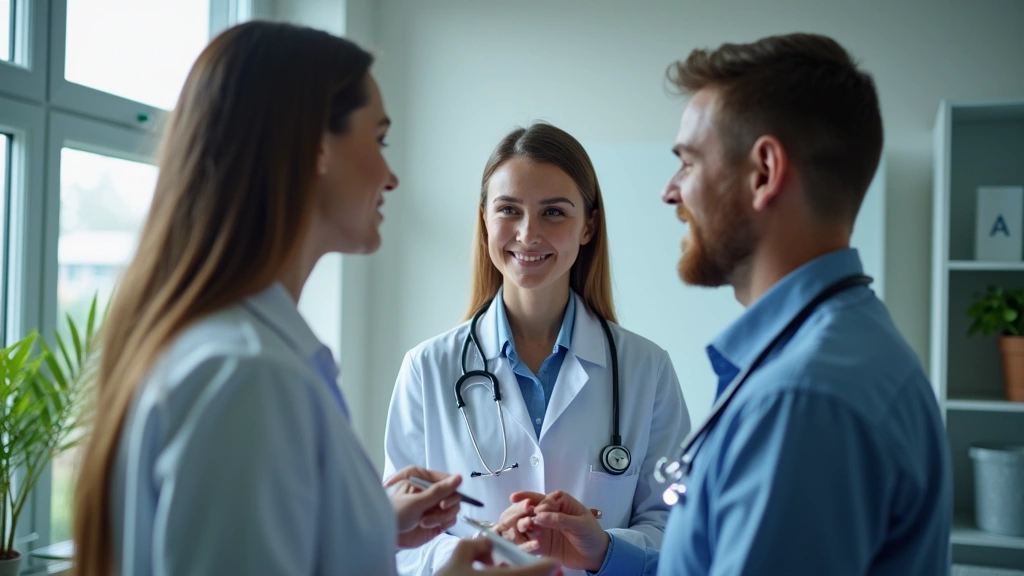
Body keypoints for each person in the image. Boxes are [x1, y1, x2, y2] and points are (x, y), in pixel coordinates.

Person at [70, 21, 558, 576]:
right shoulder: (250, 375)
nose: (390, 175)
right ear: (316, 148)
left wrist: (362, 526)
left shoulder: (234, 351)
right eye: (378, 140)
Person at [502, 33, 953, 575]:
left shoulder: (801, 398)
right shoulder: (845, 348)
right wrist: (607, 553)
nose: (671, 191)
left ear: (763, 172)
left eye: (688, 162)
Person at [383, 122, 692, 576]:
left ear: (589, 226)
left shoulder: (647, 369)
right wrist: (482, 550)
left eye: (553, 213)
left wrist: (604, 549)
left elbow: (681, 528)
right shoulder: (427, 368)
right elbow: (396, 542)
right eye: (509, 209)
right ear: (485, 218)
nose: (528, 234)